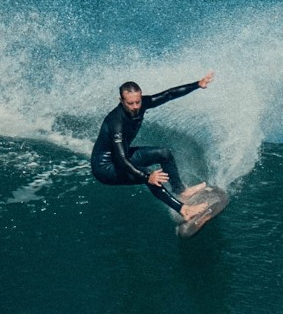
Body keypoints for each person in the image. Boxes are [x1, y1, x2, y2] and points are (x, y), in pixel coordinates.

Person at [91, 71, 215, 220]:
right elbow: (122, 160)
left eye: (138, 101)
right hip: (105, 168)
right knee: (150, 175)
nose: (135, 106)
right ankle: (183, 210)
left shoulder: (141, 104)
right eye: (130, 103)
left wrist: (197, 84)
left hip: (121, 157)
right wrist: (146, 176)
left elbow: (168, 94)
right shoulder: (116, 122)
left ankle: (180, 191)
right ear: (121, 100)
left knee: (164, 153)